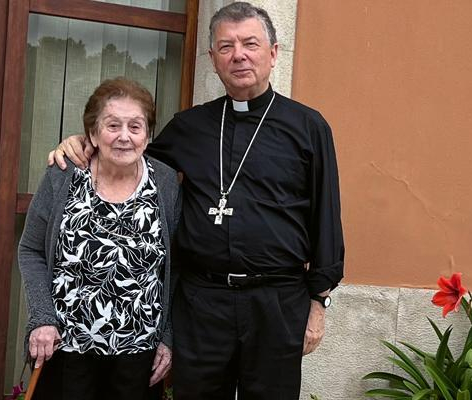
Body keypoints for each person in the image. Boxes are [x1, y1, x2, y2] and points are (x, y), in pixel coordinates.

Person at [50, 3, 344, 399]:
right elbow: (129, 156)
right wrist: (82, 144)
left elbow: (326, 217)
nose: (238, 54)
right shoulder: (189, 127)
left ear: (273, 53)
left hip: (277, 303)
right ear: (213, 60)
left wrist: (318, 302)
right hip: (203, 304)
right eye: (226, 46)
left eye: (250, 44)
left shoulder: (308, 127)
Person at [18, 77, 181, 399]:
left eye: (135, 127)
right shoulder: (64, 174)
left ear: (148, 136)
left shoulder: (165, 183)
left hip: (139, 358)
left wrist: (168, 335)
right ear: (92, 133)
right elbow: (31, 249)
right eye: (112, 125)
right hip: (66, 348)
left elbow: (177, 266)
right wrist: (42, 318)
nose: (124, 136)